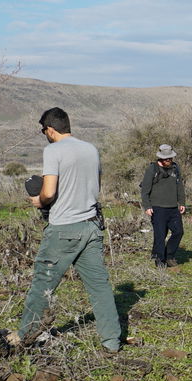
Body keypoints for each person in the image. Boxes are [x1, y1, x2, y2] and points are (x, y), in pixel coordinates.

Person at [19, 107, 123, 353]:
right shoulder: (91, 149)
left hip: (63, 229)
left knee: (42, 286)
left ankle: (25, 337)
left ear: (50, 130)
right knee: (100, 287)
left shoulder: (52, 150)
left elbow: (49, 192)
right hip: (91, 227)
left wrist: (39, 201)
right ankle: (111, 341)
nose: (45, 135)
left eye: (44, 131)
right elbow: (95, 187)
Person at [139, 144, 185, 268]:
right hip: (157, 208)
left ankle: (169, 255)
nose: (168, 160)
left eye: (170, 158)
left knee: (178, 232)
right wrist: (147, 206)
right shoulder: (152, 169)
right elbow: (145, 190)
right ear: (160, 158)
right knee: (160, 235)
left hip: (173, 207)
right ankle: (159, 259)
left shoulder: (175, 168)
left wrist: (182, 202)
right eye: (166, 159)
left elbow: (179, 187)